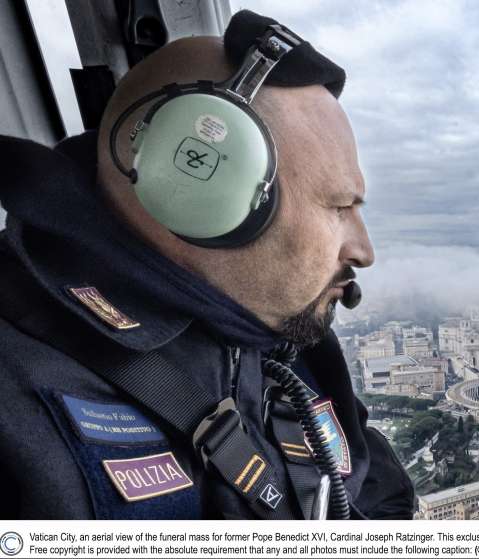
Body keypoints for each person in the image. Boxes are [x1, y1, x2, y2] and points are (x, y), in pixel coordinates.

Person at [0, 11, 414, 520]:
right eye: (338, 207)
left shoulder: (280, 344)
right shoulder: (17, 409)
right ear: (203, 191)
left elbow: (370, 491)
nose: (364, 251)